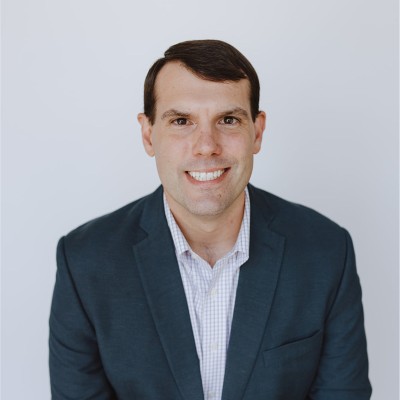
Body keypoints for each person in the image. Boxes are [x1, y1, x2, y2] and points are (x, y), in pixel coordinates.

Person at [49, 39, 372, 400]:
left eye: (228, 120)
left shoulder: (326, 251)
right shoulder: (85, 262)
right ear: (148, 134)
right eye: (181, 121)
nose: (206, 146)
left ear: (257, 132)